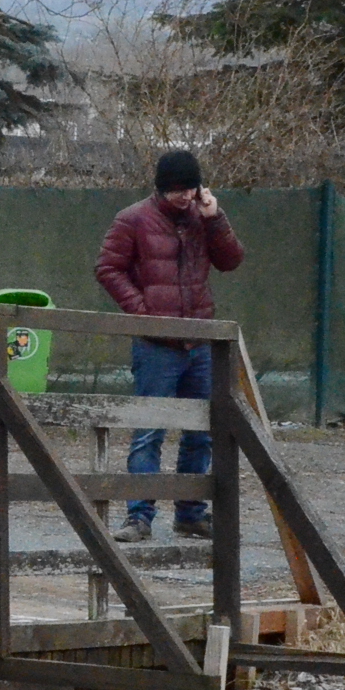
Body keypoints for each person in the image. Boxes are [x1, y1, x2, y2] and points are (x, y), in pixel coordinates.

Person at [94, 148, 245, 542]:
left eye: (190, 188)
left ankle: (190, 514)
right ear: (161, 188)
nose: (184, 196)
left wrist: (215, 218)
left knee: (202, 432)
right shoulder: (132, 219)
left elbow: (231, 260)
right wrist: (143, 311)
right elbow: (107, 268)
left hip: (200, 341)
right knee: (149, 431)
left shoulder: (203, 217)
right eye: (177, 189)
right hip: (156, 344)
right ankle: (139, 517)